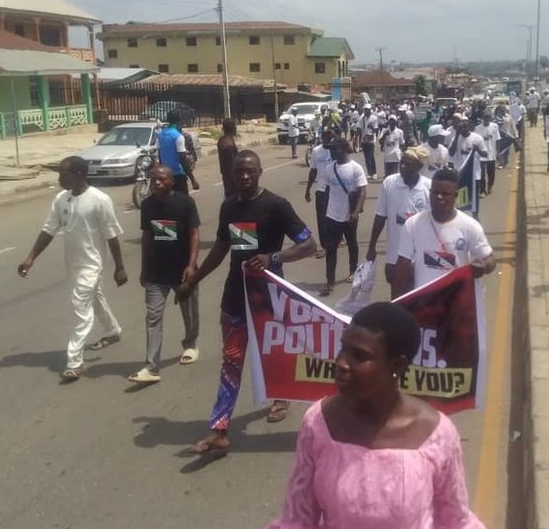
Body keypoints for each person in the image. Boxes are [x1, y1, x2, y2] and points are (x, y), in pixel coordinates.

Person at [266, 302, 485, 529]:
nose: (342, 363)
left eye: (360, 356)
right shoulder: (319, 422)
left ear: (397, 366)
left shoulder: (436, 435)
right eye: (344, 348)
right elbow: (298, 519)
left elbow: (455, 521)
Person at [178, 150, 316, 452]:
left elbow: (308, 244)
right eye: (239, 171)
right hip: (235, 298)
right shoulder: (228, 208)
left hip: (269, 297)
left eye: (249, 171)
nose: (243, 176)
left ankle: (281, 395)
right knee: (231, 360)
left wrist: (273, 257)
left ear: (260, 172)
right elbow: (221, 250)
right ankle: (220, 428)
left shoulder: (277, 206)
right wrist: (193, 280)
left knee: (276, 355)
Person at [17, 156, 127, 381]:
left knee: (80, 306)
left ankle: (74, 361)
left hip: (92, 264)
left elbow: (111, 235)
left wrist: (120, 267)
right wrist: (30, 258)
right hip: (73, 264)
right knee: (94, 298)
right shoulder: (61, 199)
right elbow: (49, 230)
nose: (59, 179)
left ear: (79, 174)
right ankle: (113, 330)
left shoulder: (99, 200)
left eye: (63, 174)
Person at [128, 166, 201, 383]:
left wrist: (191, 265)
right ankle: (151, 366)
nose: (156, 183)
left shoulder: (185, 202)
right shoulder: (148, 205)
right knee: (153, 318)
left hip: (182, 269)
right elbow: (147, 236)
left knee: (189, 311)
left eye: (161, 179)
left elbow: (194, 233)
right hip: (156, 272)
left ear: (171, 181)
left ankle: (190, 344)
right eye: (153, 179)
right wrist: (143, 268)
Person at [392, 169, 496, 298]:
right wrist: (395, 308)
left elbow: (490, 259)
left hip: (456, 302)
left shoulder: (470, 226)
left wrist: (484, 266)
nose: (439, 197)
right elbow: (401, 268)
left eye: (445, 194)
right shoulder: (412, 224)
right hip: (425, 302)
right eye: (435, 193)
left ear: (456, 195)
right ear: (429, 193)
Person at [365, 147, 432, 296]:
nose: (402, 167)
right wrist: (371, 247)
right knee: (397, 302)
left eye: (408, 164)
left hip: (422, 258)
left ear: (419, 167)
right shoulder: (389, 183)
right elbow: (380, 216)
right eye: (402, 163)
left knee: (420, 302)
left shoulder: (429, 187)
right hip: (395, 257)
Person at [320, 139, 368, 297]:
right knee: (331, 248)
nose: (332, 152)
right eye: (331, 150)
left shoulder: (356, 168)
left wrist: (355, 212)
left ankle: (353, 271)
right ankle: (330, 281)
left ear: (344, 149)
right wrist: (324, 212)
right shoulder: (329, 168)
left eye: (335, 149)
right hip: (333, 216)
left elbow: (362, 191)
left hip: (350, 216)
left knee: (352, 244)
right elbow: (327, 190)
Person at [304, 128, 337, 260]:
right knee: (322, 219)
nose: (326, 138)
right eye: (324, 136)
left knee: (336, 218)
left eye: (329, 136)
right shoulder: (316, 151)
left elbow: (347, 149)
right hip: (321, 189)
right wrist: (307, 189)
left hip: (336, 190)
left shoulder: (336, 149)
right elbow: (313, 171)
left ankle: (337, 239)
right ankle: (325, 246)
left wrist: (335, 136)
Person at [157, 110, 198, 194]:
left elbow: (160, 155)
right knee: (182, 202)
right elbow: (183, 159)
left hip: (166, 175)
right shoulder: (178, 136)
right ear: (178, 122)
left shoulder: (160, 135)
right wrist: (192, 179)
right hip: (178, 175)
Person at [448, 118, 488, 200]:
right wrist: (456, 136)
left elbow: (485, 154)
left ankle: (475, 213)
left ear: (469, 127)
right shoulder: (455, 139)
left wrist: (477, 149)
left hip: (474, 174)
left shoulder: (477, 138)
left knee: (473, 199)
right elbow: (451, 153)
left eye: (464, 127)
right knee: (461, 200)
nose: (462, 130)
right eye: (460, 128)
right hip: (460, 174)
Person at [474, 113, 500, 195]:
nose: (486, 120)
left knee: (491, 172)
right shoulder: (477, 128)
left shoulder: (494, 126)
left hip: (492, 154)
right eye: (485, 119)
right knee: (481, 173)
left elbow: (497, 140)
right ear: (483, 119)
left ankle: (490, 185)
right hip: (481, 155)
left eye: (488, 119)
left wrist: (498, 152)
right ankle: (482, 190)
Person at [217, 118, 239, 199]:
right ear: (233, 128)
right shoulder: (228, 145)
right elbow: (231, 168)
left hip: (226, 180)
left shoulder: (222, 140)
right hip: (232, 184)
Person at [495, 104, 518, 170]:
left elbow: (513, 126)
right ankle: (501, 162)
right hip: (499, 136)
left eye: (503, 109)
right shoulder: (496, 117)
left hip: (508, 136)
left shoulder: (509, 117)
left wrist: (516, 135)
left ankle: (504, 161)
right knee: (499, 150)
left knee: (506, 151)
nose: (502, 111)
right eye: (501, 109)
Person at [359, 105, 380, 179]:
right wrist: (360, 141)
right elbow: (360, 129)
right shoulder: (362, 118)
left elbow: (375, 129)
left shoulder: (374, 118)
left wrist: (373, 136)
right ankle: (369, 173)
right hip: (364, 139)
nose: (366, 111)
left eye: (367, 110)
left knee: (371, 156)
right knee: (366, 157)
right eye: (365, 110)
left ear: (370, 110)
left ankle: (374, 172)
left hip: (371, 140)